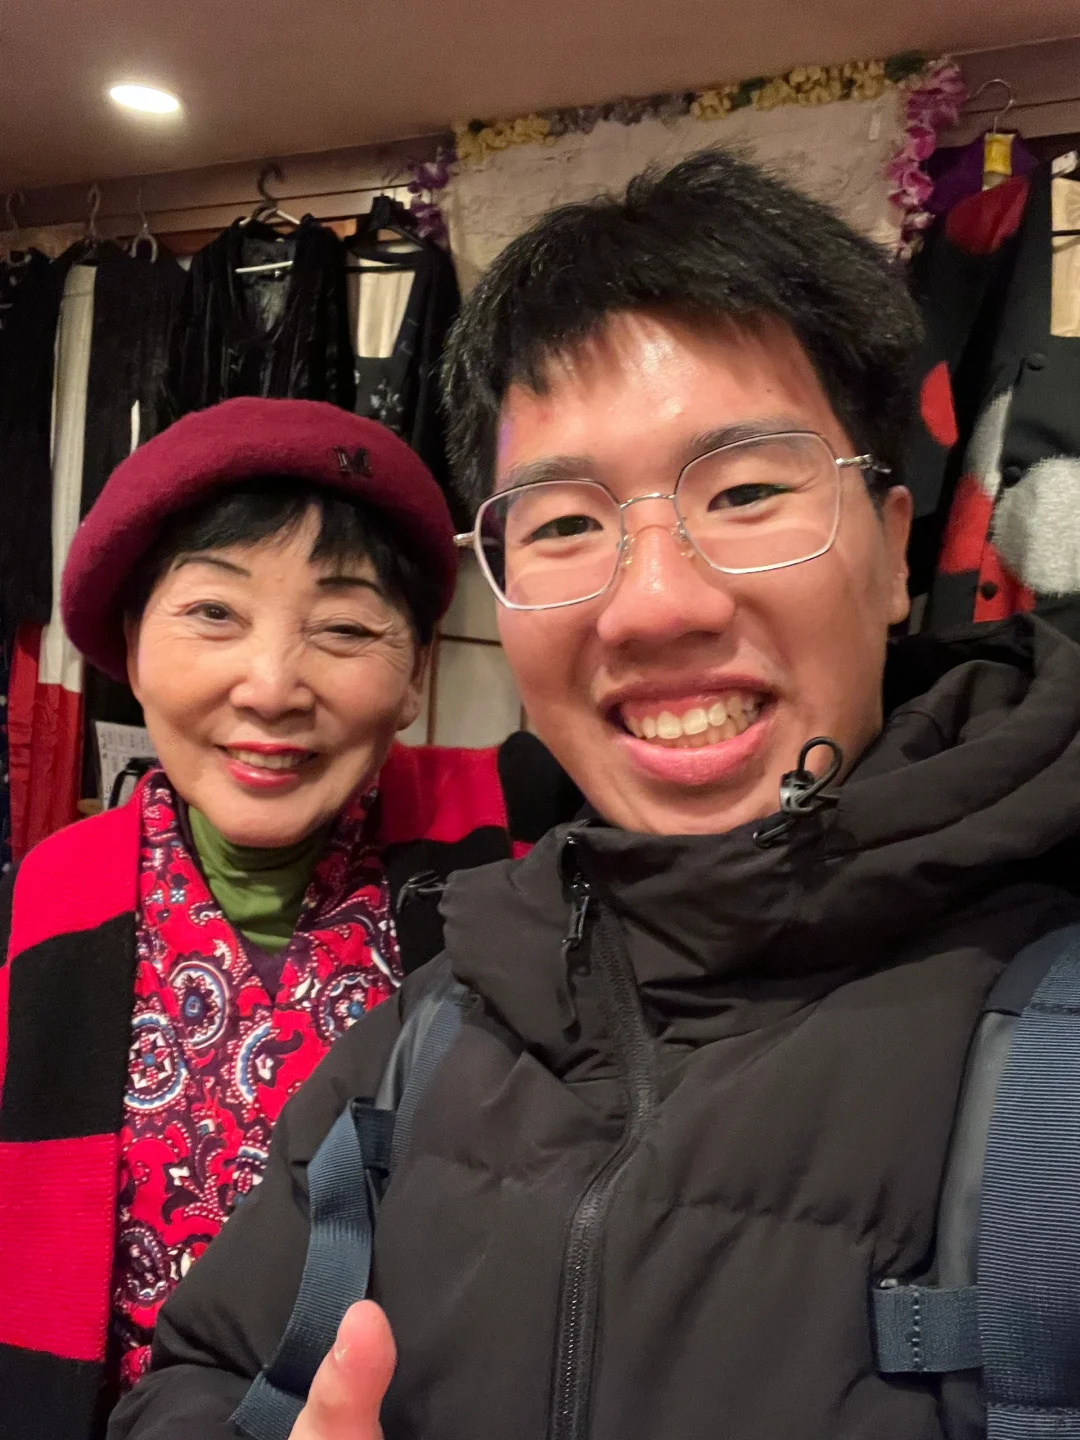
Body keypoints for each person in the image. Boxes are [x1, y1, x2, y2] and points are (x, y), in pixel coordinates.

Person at [109, 150, 1080, 1440]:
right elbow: (199, 1373)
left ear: (898, 546)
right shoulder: (447, 1016)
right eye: (565, 523)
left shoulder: (1050, 1030)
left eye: (743, 493)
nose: (658, 600)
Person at [0, 397, 578, 1439]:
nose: (271, 687)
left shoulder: (520, 838)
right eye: (213, 614)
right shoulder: (46, 897)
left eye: (346, 629)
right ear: (131, 651)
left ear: (414, 678)